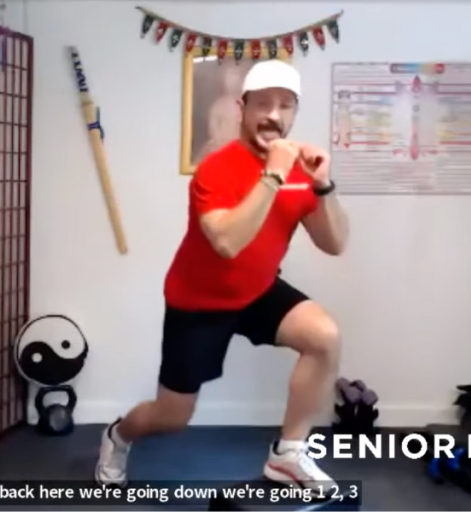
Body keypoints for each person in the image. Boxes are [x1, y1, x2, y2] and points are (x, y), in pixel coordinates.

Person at [95, 59, 350, 492]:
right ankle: (117, 436)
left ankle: (288, 456)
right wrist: (273, 174)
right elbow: (228, 243)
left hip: (257, 290)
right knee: (172, 417)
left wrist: (323, 186)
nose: (273, 115)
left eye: (285, 105)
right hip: (199, 302)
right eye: (263, 104)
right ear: (242, 108)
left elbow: (336, 243)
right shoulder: (216, 169)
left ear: (294, 112)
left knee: (324, 337)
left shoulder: (302, 174)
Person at [194, 63, 245, 163]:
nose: (232, 82)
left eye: (236, 77)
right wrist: (219, 140)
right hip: (220, 143)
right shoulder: (218, 105)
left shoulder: (245, 106)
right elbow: (213, 126)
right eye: (228, 78)